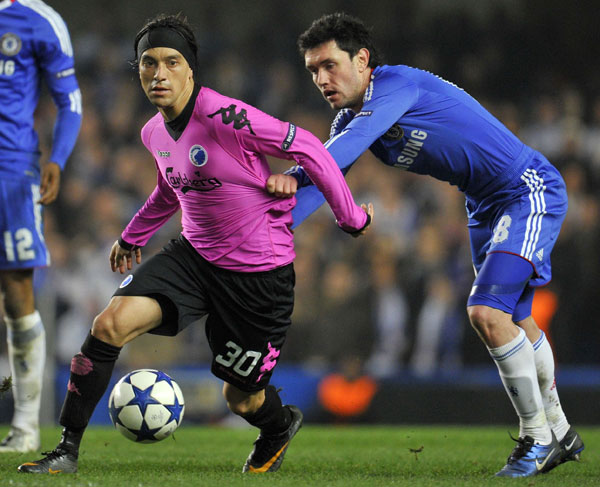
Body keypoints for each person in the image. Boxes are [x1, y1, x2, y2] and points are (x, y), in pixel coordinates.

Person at [18, 13, 372, 474]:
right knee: (108, 325)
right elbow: (171, 189)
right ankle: (66, 449)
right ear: (139, 70)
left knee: (240, 399)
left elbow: (307, 144)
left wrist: (350, 215)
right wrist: (132, 235)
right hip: (194, 258)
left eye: (170, 62)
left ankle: (278, 425)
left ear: (190, 69)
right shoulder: (153, 132)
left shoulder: (226, 115)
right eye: (148, 63)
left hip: (257, 276)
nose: (159, 73)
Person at [268, 12, 584, 478]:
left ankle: (536, 438)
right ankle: (560, 430)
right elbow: (325, 177)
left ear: (362, 59)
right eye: (313, 70)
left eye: (330, 65)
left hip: (525, 188)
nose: (321, 78)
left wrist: (291, 179)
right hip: (483, 205)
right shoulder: (349, 119)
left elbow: (331, 159)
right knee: (515, 319)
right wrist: (266, 230)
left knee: (486, 313)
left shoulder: (394, 86)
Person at [0, 0, 82, 452]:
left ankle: (26, 427)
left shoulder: (39, 21)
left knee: (16, 293)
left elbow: (69, 100)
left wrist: (57, 158)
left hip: (10, 172)